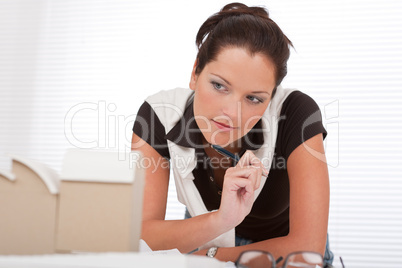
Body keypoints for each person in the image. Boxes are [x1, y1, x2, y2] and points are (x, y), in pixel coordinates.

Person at [131, 2, 333, 265]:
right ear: (195, 73)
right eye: (219, 85)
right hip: (202, 235)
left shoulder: (297, 113)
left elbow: (308, 252)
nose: (232, 114)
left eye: (253, 98)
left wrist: (209, 257)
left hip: (277, 256)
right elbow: (142, 237)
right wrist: (221, 220)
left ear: (271, 98)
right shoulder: (158, 115)